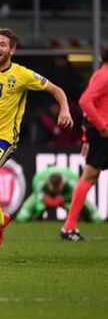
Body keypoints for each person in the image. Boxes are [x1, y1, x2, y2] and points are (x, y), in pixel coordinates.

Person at [0, 27, 73, 253]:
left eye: (2, 45)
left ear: (13, 50)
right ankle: (0, 222)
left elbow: (57, 90)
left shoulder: (22, 75)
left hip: (4, 138)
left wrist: (64, 110)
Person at [61, 48, 108, 241]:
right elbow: (85, 101)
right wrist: (101, 127)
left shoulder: (101, 74)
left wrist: (86, 135)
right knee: (89, 175)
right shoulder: (104, 76)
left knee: (90, 175)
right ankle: (69, 227)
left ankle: (69, 226)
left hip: (98, 132)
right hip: (103, 133)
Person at [17, 166, 100, 223]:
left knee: (96, 218)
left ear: (63, 184)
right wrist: (45, 201)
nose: (55, 192)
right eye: (54, 189)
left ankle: (77, 218)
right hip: (46, 196)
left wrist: (63, 199)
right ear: (48, 184)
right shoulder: (39, 180)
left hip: (67, 196)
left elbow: (78, 195)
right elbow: (37, 196)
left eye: (57, 190)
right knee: (22, 217)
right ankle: (38, 217)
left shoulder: (72, 181)